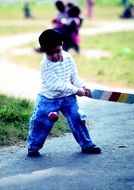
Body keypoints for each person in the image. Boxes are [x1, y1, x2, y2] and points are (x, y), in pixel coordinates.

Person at [26, 29, 101, 157]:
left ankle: (87, 145)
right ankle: (33, 147)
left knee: (77, 118)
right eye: (50, 53)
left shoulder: (68, 57)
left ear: (62, 45)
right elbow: (59, 85)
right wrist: (77, 90)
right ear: (44, 51)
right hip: (49, 99)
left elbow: (73, 77)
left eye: (57, 51)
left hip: (68, 98)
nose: (54, 55)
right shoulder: (45, 65)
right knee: (41, 122)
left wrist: (83, 86)